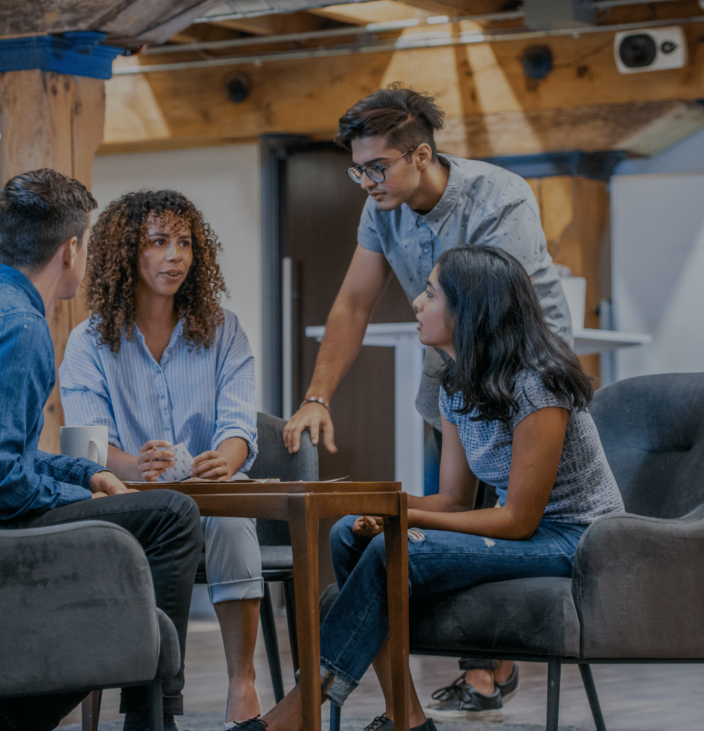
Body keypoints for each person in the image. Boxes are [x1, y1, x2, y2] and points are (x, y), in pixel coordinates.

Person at [233, 246, 625, 731]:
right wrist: (375, 506)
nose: (416, 303)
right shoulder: (454, 383)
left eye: (431, 294)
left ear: (470, 310)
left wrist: (404, 517)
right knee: (347, 535)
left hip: (577, 540)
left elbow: (519, 519)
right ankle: (407, 716)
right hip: (529, 532)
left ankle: (297, 710)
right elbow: (454, 501)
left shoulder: (537, 384)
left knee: (394, 550)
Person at [0, 169, 203, 731]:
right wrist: (71, 486)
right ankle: (152, 719)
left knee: (126, 550)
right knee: (171, 514)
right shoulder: (21, 327)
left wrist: (81, 472)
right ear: (71, 250)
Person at [281, 84, 574, 716]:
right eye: (357, 169)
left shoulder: (498, 198)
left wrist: (406, 517)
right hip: (455, 367)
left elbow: (502, 311)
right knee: (445, 502)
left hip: (519, 368)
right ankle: (405, 707)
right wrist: (317, 396)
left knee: (499, 505)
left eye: (377, 166)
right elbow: (354, 302)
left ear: (420, 155)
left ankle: (484, 666)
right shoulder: (380, 207)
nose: (365, 181)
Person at [59, 189, 265, 726]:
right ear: (128, 252)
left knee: (232, 515)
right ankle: (146, 704)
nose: (175, 255)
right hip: (130, 498)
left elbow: (240, 422)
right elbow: (84, 446)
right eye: (158, 242)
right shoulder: (88, 342)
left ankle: (243, 685)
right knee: (165, 518)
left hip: (210, 492)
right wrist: (132, 466)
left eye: (184, 243)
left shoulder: (225, 330)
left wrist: (226, 456)